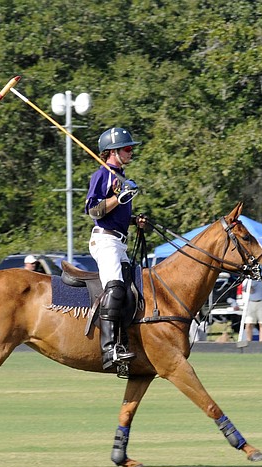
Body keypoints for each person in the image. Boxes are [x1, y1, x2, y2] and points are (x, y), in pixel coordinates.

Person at [84, 126, 146, 372]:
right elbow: (93, 211)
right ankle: (109, 348)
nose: (131, 152)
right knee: (116, 287)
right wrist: (119, 198)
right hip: (104, 240)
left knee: (132, 291)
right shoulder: (102, 175)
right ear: (112, 152)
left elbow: (116, 216)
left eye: (131, 148)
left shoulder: (122, 178)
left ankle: (125, 340)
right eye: (127, 149)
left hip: (120, 240)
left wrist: (135, 221)